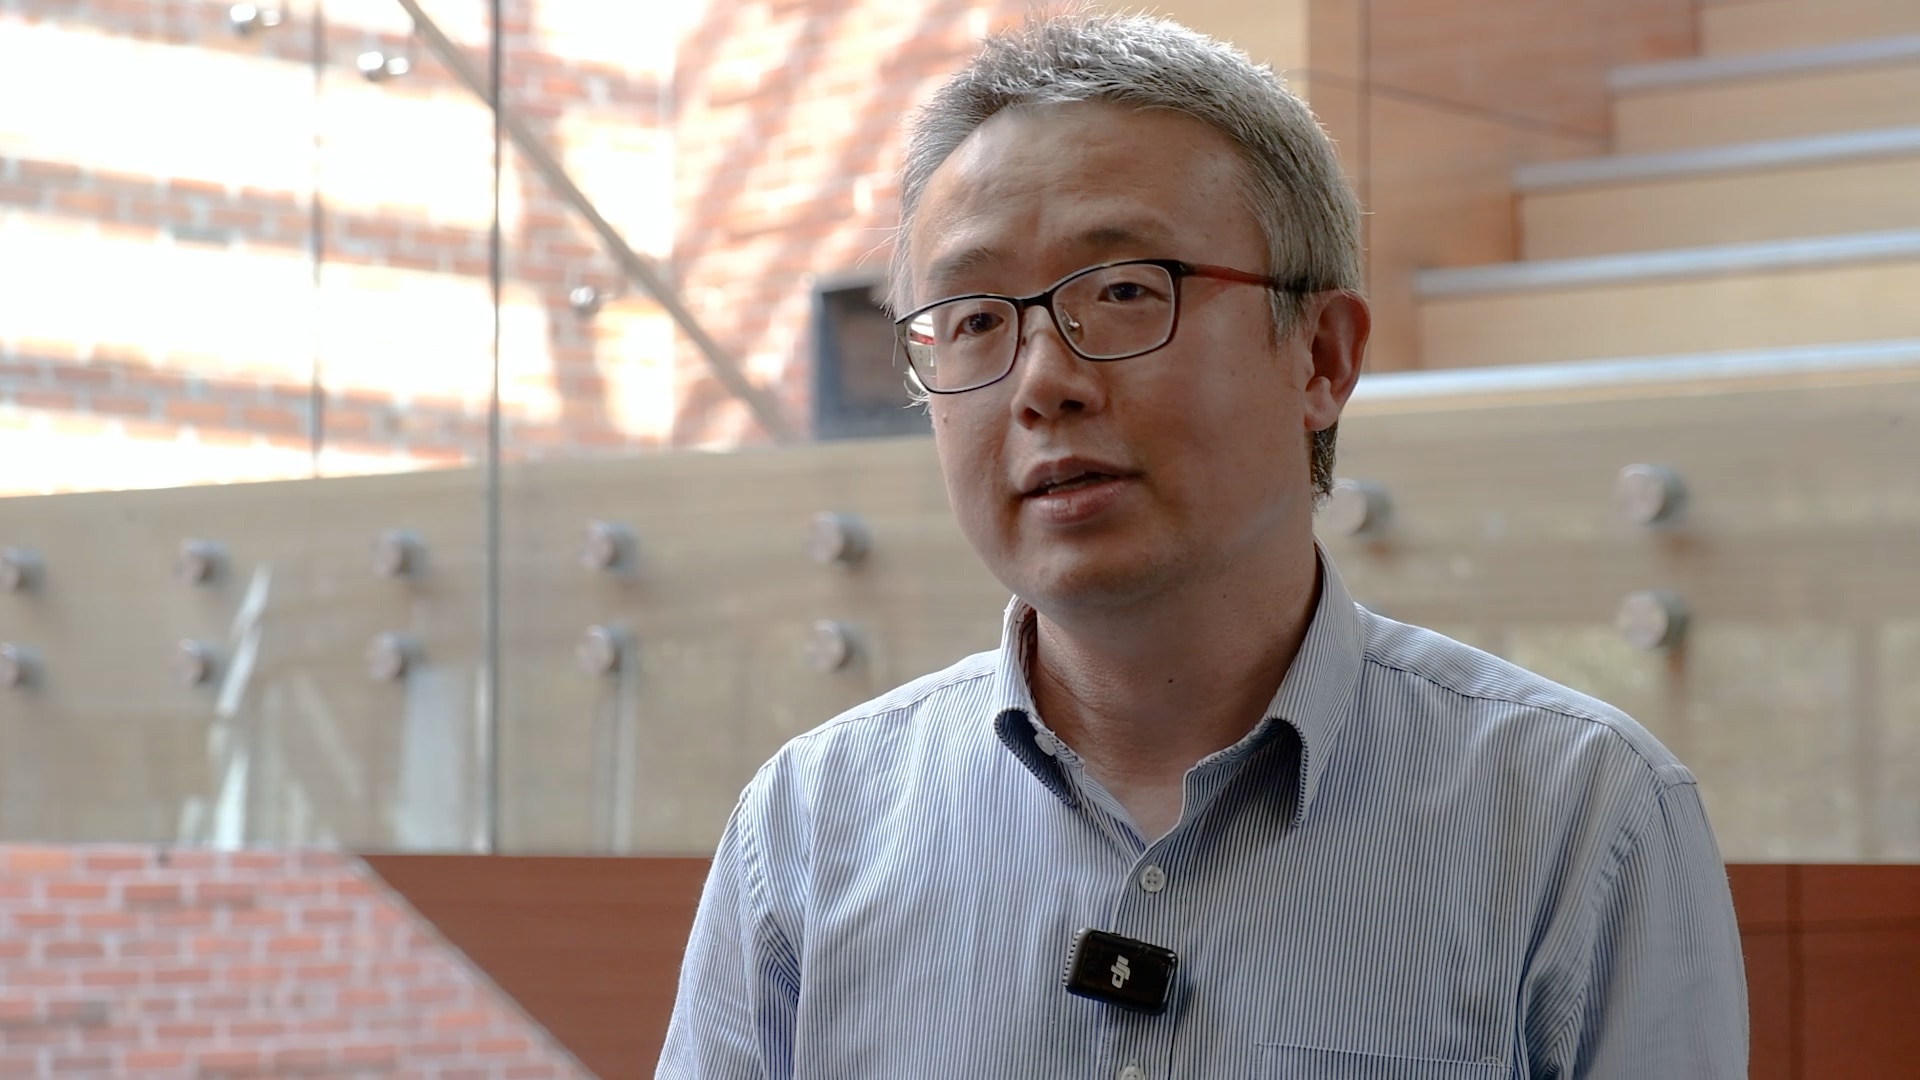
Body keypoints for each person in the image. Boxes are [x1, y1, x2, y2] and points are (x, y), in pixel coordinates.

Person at [658, 13, 1747, 1079]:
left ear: (1319, 356)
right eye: (977, 318)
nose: (1043, 383)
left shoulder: (1576, 817)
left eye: (1125, 291)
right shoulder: (809, 827)